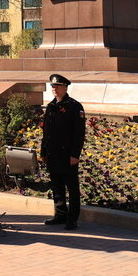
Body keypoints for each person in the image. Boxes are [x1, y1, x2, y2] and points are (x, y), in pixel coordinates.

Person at [40, 73, 86, 230]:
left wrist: (75, 155)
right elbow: (46, 132)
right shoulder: (51, 106)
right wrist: (43, 152)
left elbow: (79, 134)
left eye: (57, 86)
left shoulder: (75, 107)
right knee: (56, 186)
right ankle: (60, 215)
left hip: (67, 155)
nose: (54, 89)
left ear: (65, 88)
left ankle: (72, 218)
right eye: (52, 86)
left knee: (72, 187)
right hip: (53, 154)